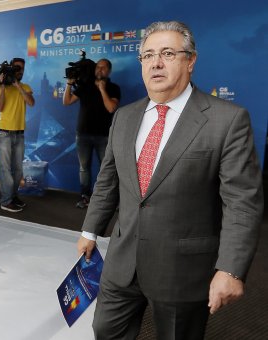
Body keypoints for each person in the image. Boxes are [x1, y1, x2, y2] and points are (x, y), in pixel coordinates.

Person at [76, 21, 263, 339]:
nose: (155, 63)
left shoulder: (227, 120)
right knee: (104, 330)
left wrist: (230, 268)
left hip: (182, 271)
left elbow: (241, 203)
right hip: (122, 263)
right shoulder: (125, 116)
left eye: (167, 53)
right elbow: (108, 180)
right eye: (147, 55)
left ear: (190, 61)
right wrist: (90, 230)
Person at [63, 58, 121, 209]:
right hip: (83, 135)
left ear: (109, 71)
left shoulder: (114, 88)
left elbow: (111, 108)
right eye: (98, 67)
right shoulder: (85, 86)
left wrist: (102, 89)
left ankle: (106, 199)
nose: (100, 69)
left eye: (104, 67)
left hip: (104, 136)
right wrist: (69, 84)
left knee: (106, 168)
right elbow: (67, 101)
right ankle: (85, 197)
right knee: (84, 168)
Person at [0, 57, 35, 212]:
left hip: (19, 134)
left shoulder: (25, 86)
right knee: (5, 169)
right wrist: (3, 87)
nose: (20, 71)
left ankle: (13, 195)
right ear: (11, 68)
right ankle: (6, 201)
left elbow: (31, 102)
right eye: (17, 68)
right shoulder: (1, 87)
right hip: (4, 134)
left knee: (18, 170)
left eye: (22, 69)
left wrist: (17, 85)